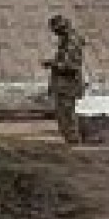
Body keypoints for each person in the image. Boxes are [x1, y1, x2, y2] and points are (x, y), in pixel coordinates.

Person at [43, 13, 87, 144]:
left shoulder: (71, 42)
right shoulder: (68, 40)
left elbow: (71, 66)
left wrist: (52, 64)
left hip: (68, 85)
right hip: (65, 85)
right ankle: (71, 141)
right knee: (64, 115)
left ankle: (73, 143)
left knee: (67, 115)